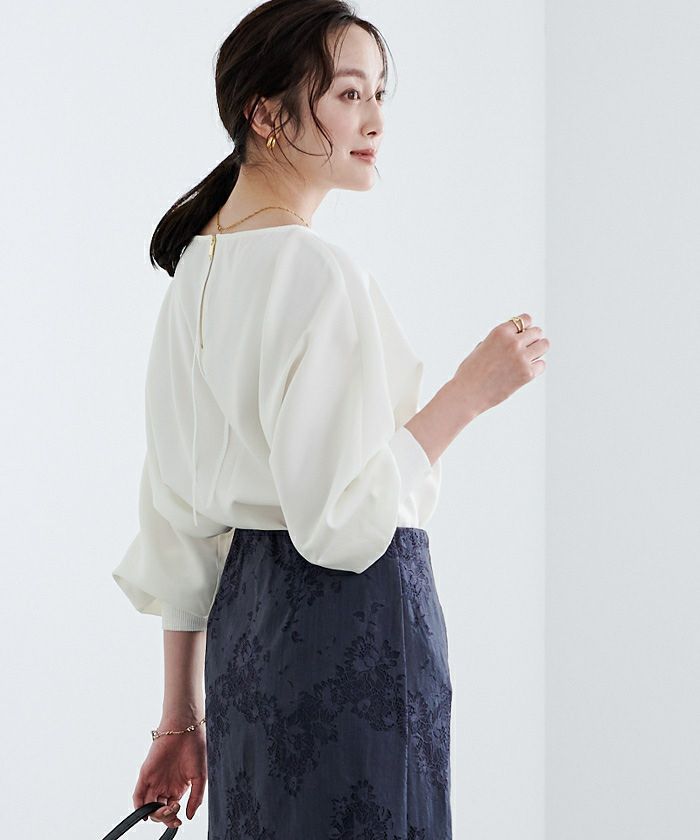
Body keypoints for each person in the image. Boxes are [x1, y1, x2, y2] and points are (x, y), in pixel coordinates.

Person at [111, 1, 549, 836]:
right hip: (353, 633)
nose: (376, 120)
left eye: (379, 93)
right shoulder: (313, 271)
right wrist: (471, 390)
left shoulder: (197, 270)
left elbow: (178, 524)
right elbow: (343, 526)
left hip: (247, 648)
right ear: (265, 113)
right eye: (349, 94)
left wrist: (178, 719)